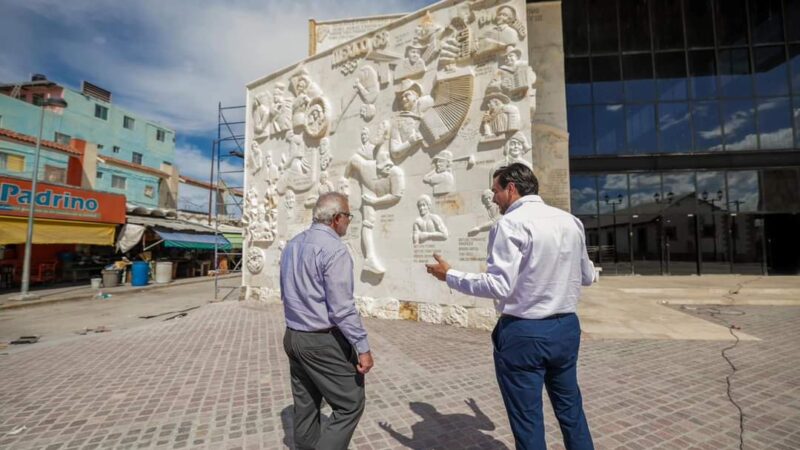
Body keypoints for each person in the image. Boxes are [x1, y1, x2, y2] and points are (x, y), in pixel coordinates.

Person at [425, 163, 594, 450]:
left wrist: (449, 275)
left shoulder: (510, 224)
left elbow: (498, 285)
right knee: (571, 410)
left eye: (495, 191)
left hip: (525, 333)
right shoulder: (570, 222)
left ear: (511, 188)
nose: (493, 198)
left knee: (527, 421)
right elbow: (588, 276)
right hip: (566, 329)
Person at [280, 192, 374, 450]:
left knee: (307, 403)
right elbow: (342, 308)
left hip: (293, 336)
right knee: (350, 403)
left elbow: (285, 292)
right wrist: (362, 347)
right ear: (336, 218)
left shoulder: (292, 244)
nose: (349, 222)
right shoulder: (334, 250)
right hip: (321, 340)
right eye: (348, 216)